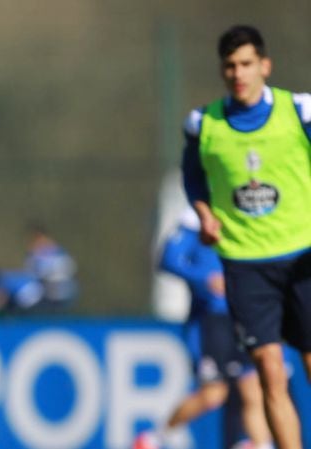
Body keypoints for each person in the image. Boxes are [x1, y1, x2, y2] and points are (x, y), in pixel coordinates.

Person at [181, 25, 311, 449]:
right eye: (230, 65)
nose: (238, 73)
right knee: (269, 369)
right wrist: (203, 214)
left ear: (265, 66)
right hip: (245, 263)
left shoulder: (300, 112)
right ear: (222, 70)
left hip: (302, 255)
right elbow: (193, 178)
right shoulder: (205, 125)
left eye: (246, 64)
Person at [134, 209, 271, 449]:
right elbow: (168, 259)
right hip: (213, 320)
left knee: (253, 388)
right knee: (213, 394)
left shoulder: (245, 208)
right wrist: (205, 278)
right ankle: (153, 438)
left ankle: (261, 444)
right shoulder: (194, 217)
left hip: (244, 315)